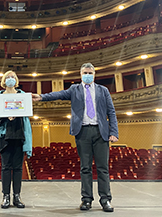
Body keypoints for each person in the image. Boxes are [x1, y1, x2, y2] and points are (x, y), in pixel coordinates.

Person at [32, 62, 118, 212]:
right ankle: (86, 200)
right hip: (82, 132)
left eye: (90, 73)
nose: (87, 75)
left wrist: (114, 132)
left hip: (101, 132)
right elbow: (58, 94)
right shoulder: (74, 89)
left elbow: (111, 112)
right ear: (80, 75)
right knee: (85, 168)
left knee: (103, 168)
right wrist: (41, 97)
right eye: (85, 73)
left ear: (94, 75)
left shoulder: (103, 90)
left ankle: (105, 200)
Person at [0, 70, 32, 209]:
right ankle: (6, 196)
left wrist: (17, 113)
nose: (10, 79)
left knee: (18, 168)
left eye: (13, 77)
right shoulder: (0, 96)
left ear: (16, 80)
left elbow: (26, 110)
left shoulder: (22, 95)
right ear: (4, 81)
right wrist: (4, 116)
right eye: (8, 77)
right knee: (6, 167)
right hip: (4, 134)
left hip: (19, 133)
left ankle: (17, 196)